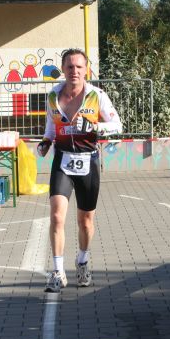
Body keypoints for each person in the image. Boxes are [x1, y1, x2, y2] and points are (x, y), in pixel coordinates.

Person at [37, 48, 122, 293]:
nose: (74, 71)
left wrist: (95, 126)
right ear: (63, 70)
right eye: (69, 67)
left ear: (86, 70)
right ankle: (57, 272)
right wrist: (46, 142)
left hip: (88, 161)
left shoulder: (97, 95)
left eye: (78, 67)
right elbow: (51, 127)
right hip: (62, 160)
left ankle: (82, 261)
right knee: (56, 216)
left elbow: (117, 125)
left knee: (85, 222)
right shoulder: (53, 96)